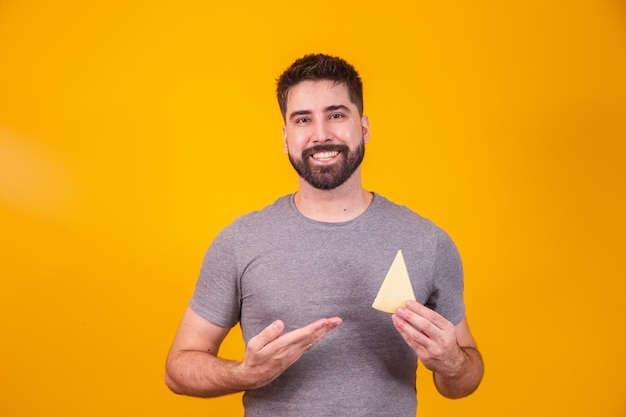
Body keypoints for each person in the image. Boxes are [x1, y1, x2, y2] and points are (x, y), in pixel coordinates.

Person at [165, 53, 484, 416]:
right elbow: (179, 369)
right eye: (303, 119)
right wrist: (245, 373)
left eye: (336, 114)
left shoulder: (428, 242)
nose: (321, 134)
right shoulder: (239, 242)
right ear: (286, 137)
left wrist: (452, 363)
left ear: (363, 127)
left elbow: (464, 377)